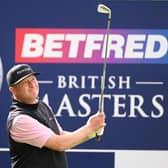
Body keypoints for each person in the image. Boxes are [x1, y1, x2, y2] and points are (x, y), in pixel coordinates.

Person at [6, 64, 106, 168]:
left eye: (33, 79)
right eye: (25, 82)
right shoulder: (19, 120)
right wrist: (90, 127)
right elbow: (59, 144)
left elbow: (62, 136)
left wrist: (92, 132)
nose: (32, 84)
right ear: (13, 90)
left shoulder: (43, 105)